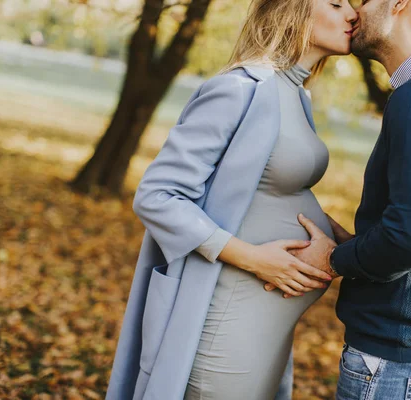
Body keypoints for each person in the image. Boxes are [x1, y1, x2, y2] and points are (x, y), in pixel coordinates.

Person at [105, 1, 358, 399]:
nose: (353, 14)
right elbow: (157, 195)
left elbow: (266, 190)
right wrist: (253, 258)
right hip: (226, 324)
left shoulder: (296, 94)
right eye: (336, 2)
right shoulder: (239, 88)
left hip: (263, 332)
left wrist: (341, 240)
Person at [269, 0, 411, 398]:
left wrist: (333, 260)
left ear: (398, 4)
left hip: (394, 362)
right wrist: (355, 243)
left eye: (364, 0)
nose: (355, 10)